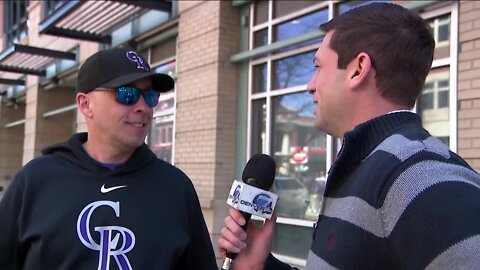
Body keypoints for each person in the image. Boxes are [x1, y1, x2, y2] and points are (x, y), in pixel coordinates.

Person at [218, 2, 480, 269]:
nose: (310, 86)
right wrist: (261, 265)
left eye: (318, 66)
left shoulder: (419, 176)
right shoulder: (369, 167)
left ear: (358, 69)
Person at [0, 48, 217, 269]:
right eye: (127, 93)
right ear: (85, 104)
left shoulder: (176, 188)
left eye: (150, 96)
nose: (142, 107)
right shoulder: (33, 182)